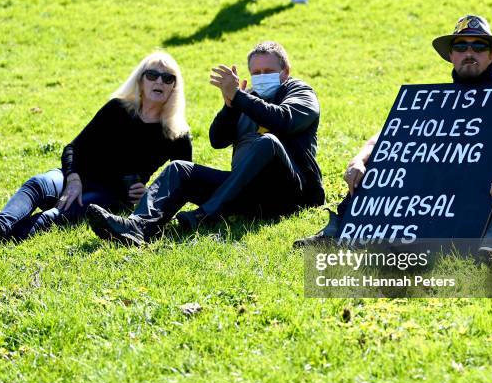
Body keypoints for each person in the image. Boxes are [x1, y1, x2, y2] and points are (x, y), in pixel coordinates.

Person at [295, 15, 492, 251]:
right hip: (447, 183)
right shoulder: (432, 101)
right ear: (451, 56)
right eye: (461, 46)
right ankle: (338, 229)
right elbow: (388, 136)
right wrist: (359, 159)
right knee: (386, 162)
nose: (469, 53)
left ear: (491, 55)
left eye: (479, 46)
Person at [0, 52, 192, 255]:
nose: (159, 82)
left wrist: (148, 196)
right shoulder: (117, 109)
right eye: (152, 75)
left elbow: (181, 184)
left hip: (109, 193)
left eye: (167, 78)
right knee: (38, 185)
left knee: (54, 215)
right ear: (141, 81)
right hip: (76, 175)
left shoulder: (176, 133)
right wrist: (73, 178)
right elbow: (73, 147)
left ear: (174, 87)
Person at [86, 41, 325, 246]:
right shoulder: (247, 97)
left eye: (268, 70)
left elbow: (284, 121)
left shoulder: (301, 93)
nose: (261, 77)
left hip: (291, 194)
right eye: (256, 72)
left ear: (285, 71)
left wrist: (240, 97)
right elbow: (217, 140)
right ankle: (138, 228)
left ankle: (206, 215)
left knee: (267, 142)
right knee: (180, 168)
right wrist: (230, 106)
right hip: (245, 193)